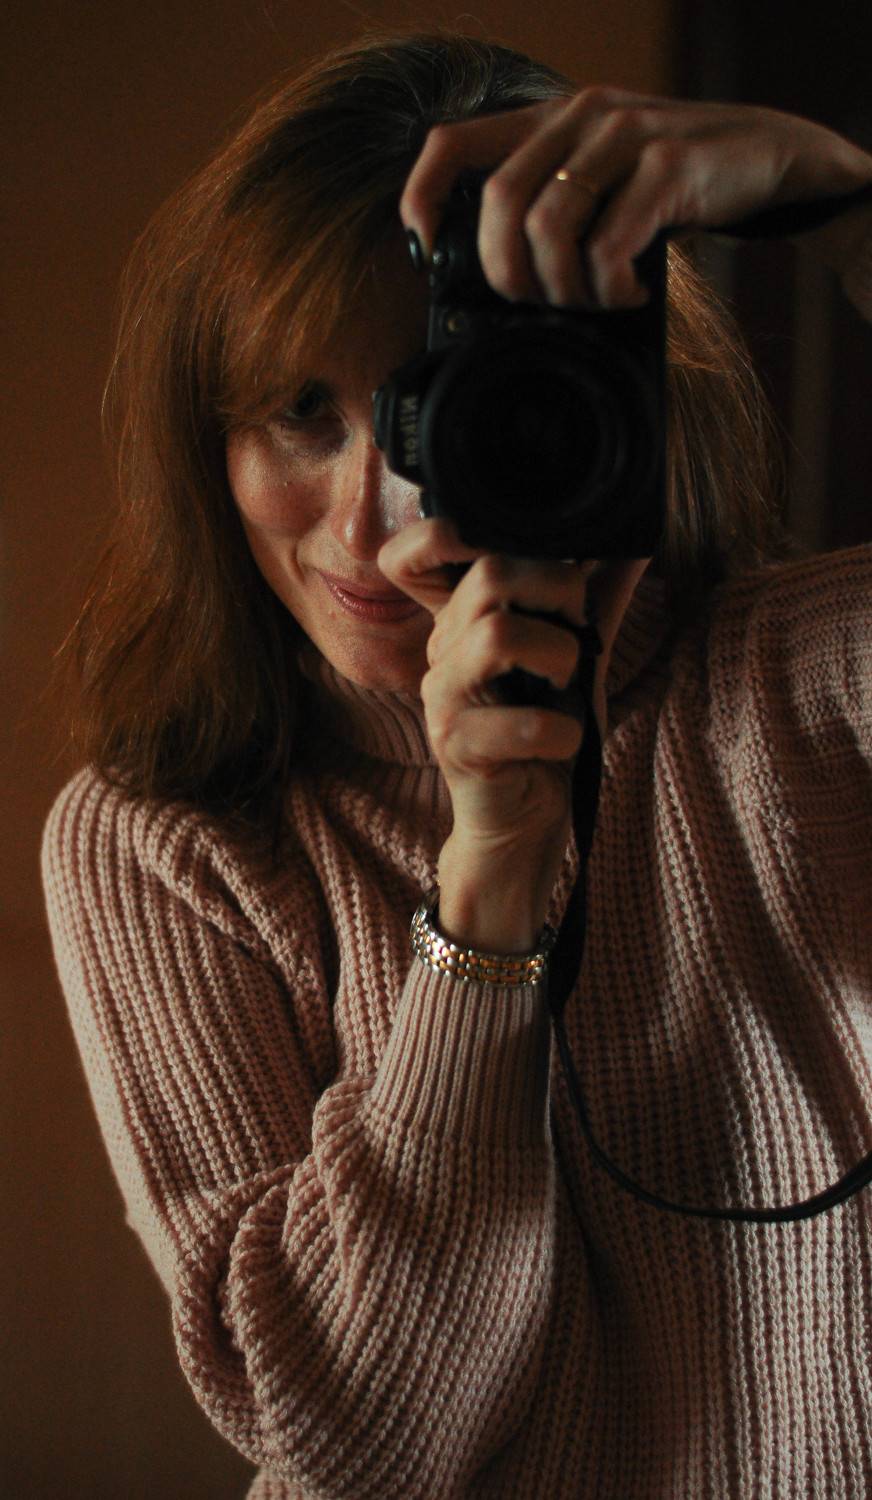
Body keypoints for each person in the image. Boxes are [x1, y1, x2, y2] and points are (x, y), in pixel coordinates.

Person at [41, 29, 872, 1499]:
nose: (375, 528)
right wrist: (490, 881)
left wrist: (848, 205)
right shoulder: (165, 845)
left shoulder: (806, 683)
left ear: (606, 400)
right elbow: (360, 1439)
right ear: (207, 430)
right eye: (301, 410)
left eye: (452, 405)